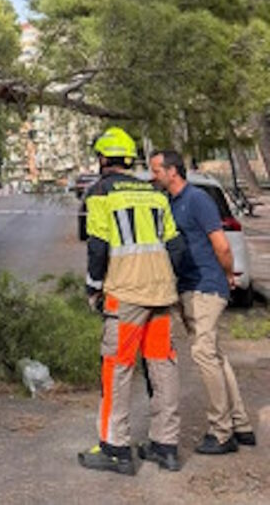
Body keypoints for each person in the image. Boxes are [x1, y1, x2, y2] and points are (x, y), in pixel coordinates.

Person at [78, 127, 186, 475]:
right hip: (161, 291)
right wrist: (170, 282)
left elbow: (97, 245)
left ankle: (115, 448)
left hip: (125, 294)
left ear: (103, 159)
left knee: (117, 368)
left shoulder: (100, 193)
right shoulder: (154, 193)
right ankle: (165, 446)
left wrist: (93, 287)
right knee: (162, 365)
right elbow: (176, 245)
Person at [149, 149, 257, 454]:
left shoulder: (197, 200)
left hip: (206, 286)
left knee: (203, 354)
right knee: (215, 356)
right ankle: (241, 424)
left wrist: (227, 276)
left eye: (156, 170)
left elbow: (221, 245)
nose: (153, 176)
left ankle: (221, 432)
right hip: (188, 286)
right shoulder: (170, 203)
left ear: (172, 171)